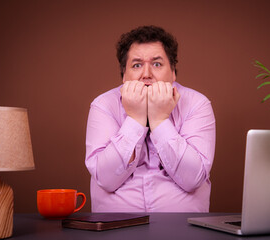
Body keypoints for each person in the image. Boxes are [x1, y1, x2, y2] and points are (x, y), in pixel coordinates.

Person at [85, 25, 216, 212]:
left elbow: (193, 179)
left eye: (157, 64)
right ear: (124, 75)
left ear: (173, 72)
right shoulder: (103, 105)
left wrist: (160, 120)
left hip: (180, 229)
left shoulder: (197, 104)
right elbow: (105, 180)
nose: (146, 74)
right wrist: (136, 119)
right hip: (116, 229)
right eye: (137, 65)